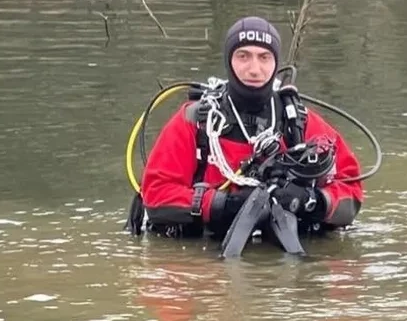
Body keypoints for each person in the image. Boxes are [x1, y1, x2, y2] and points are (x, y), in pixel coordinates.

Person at [139, 16, 363, 239]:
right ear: (229, 61)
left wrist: (310, 201)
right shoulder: (196, 121)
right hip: (208, 249)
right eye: (243, 56)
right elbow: (156, 195)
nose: (254, 69)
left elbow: (351, 193)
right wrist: (222, 205)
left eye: (264, 57)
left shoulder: (299, 122)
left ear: (276, 63)